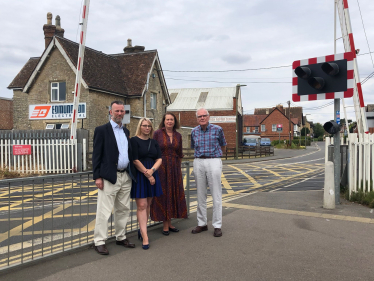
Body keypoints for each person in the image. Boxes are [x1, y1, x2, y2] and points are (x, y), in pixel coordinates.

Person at [92, 101, 137, 255]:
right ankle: (99, 241)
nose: (119, 114)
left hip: (125, 175)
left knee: (123, 209)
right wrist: (97, 176)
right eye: (117, 111)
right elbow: (96, 155)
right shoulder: (101, 130)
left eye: (122, 111)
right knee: (104, 211)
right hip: (109, 176)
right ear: (110, 111)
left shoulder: (126, 131)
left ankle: (121, 236)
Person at [190, 108, 227, 237]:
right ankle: (202, 223)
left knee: (216, 194)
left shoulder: (218, 129)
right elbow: (193, 146)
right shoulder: (194, 131)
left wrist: (216, 157)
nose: (202, 118)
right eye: (199, 116)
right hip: (199, 161)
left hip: (214, 160)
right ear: (197, 118)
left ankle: (217, 225)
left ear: (209, 116)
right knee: (200, 194)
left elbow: (223, 145)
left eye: (204, 115)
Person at [150, 113, 188, 235]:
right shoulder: (157, 133)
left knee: (173, 194)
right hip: (161, 167)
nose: (169, 121)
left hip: (175, 168)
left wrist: (178, 168)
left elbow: (180, 153)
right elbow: (153, 151)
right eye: (167, 119)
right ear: (164, 121)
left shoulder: (178, 135)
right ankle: (165, 225)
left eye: (171, 119)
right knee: (163, 194)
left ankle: (170, 223)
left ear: (174, 121)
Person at [130, 118, 163, 250]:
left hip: (152, 172)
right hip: (140, 173)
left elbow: (159, 158)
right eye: (144, 126)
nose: (147, 128)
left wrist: (153, 171)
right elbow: (135, 160)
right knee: (142, 205)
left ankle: (142, 230)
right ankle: (145, 236)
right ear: (140, 126)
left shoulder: (154, 142)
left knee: (148, 204)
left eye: (149, 126)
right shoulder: (134, 140)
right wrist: (147, 174)